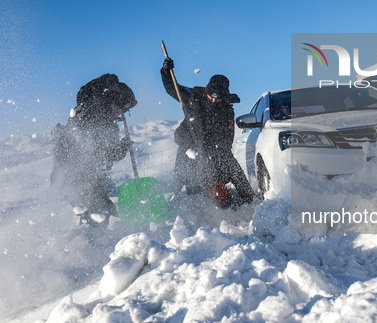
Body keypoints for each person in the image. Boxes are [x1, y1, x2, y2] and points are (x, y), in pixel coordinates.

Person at [160, 58, 254, 207]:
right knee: (186, 176)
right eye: (213, 97)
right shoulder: (194, 96)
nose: (215, 101)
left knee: (232, 168)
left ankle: (251, 202)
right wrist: (166, 72)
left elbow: (227, 138)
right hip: (189, 144)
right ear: (208, 91)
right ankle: (180, 205)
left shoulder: (226, 108)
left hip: (213, 147)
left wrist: (218, 153)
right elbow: (173, 88)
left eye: (220, 98)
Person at [51, 73, 137, 227]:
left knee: (106, 210)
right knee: (95, 212)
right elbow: (85, 90)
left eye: (125, 109)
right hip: (70, 172)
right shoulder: (92, 104)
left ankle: (99, 243)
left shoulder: (110, 126)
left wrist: (122, 147)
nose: (122, 112)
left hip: (86, 175)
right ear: (114, 99)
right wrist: (106, 79)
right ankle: (82, 242)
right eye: (122, 106)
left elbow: (110, 154)